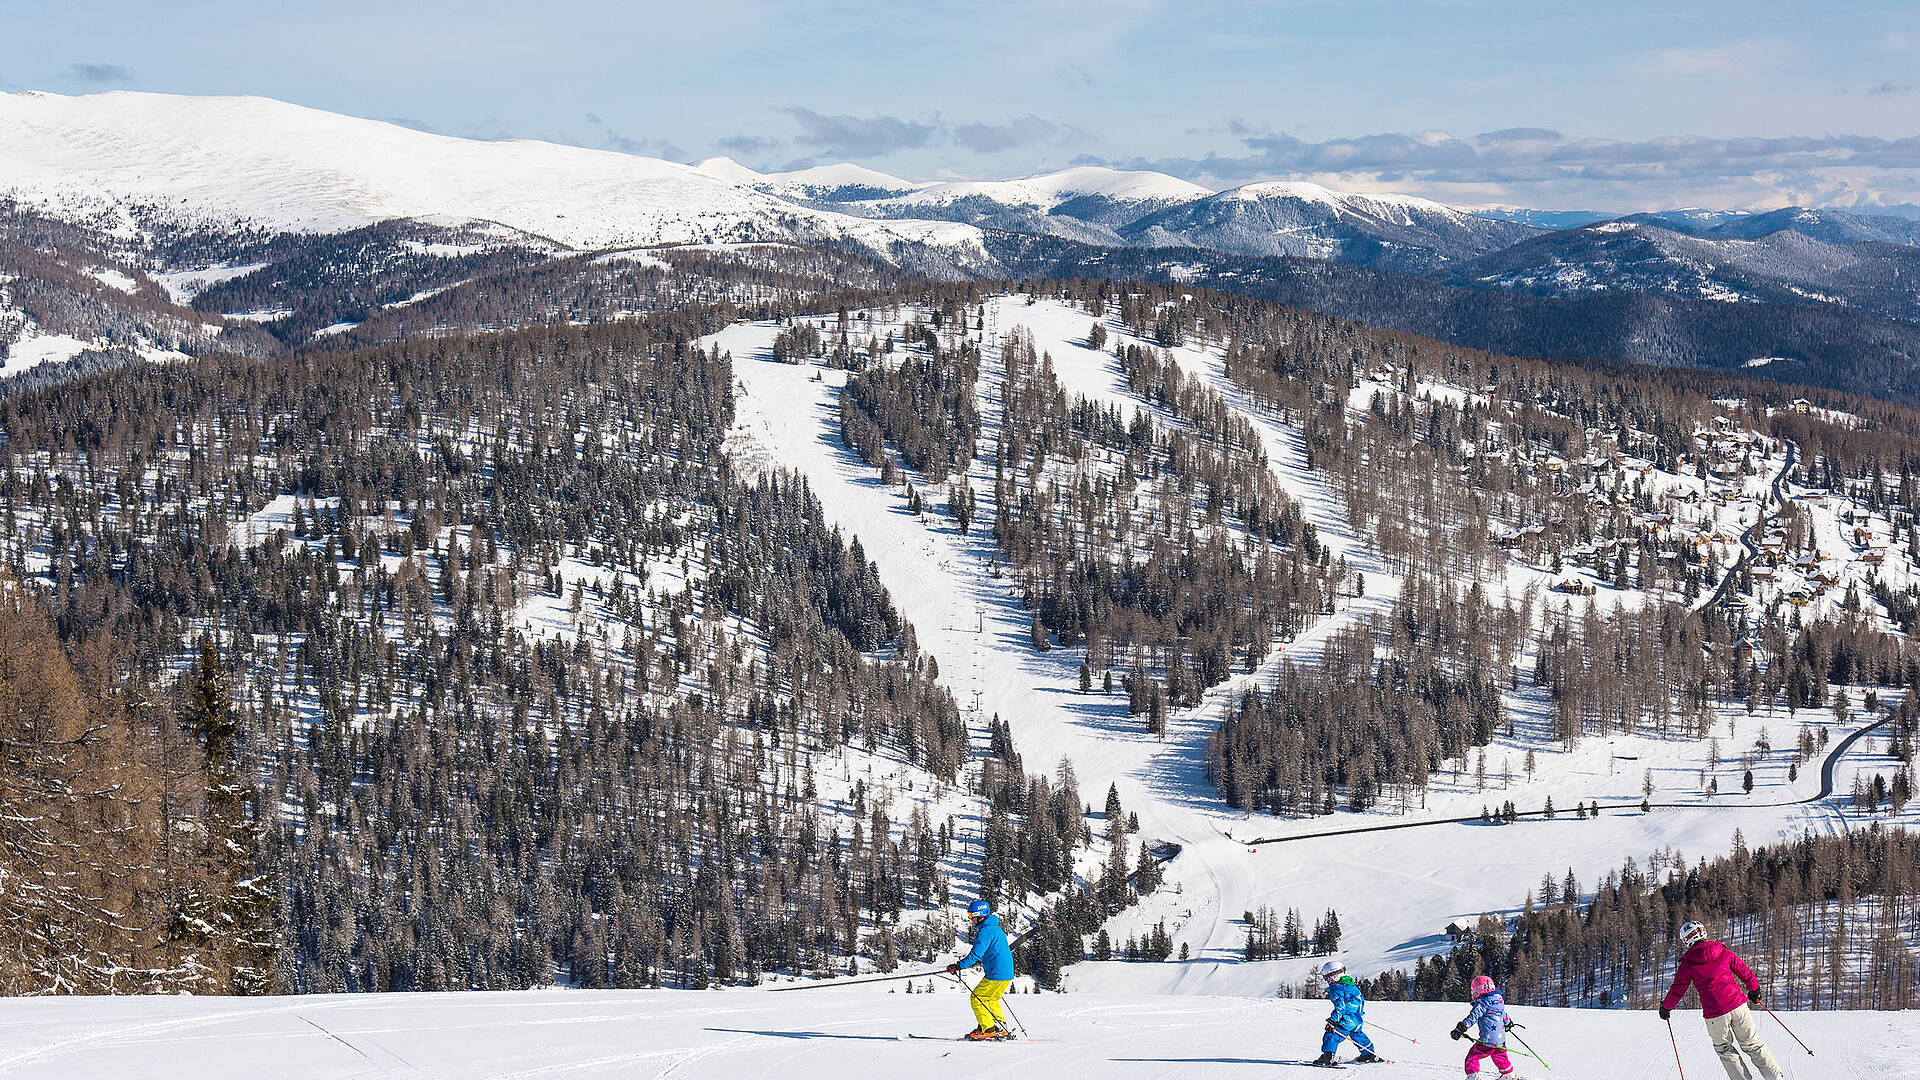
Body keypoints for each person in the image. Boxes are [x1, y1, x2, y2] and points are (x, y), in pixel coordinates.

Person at [1659, 920, 1782, 1080]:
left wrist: (1666, 1007)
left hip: (1715, 1014)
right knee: (1752, 1044)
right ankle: (1775, 1077)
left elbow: (1678, 988)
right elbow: (1743, 971)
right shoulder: (1722, 951)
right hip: (1738, 1006)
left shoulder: (1688, 963)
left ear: (1688, 939)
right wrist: (1754, 989)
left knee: (1725, 1049)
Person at [946, 898, 1014, 1040]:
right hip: (1005, 972)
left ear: (980, 915)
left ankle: (988, 1028)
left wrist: (958, 966)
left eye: (972, 916)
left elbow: (976, 954)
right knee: (991, 999)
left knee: (977, 998)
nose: (971, 919)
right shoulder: (994, 928)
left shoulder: (985, 931)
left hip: (996, 973)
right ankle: (999, 1028)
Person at [1313, 959, 1383, 1066]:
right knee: (1357, 1034)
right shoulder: (1350, 985)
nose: (1327, 980)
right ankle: (1368, 1054)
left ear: (1334, 975)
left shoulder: (1337, 989)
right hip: (1356, 1018)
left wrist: (1333, 1020)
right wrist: (1356, 1014)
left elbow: (1340, 1008)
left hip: (1347, 1019)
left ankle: (1328, 1057)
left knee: (1332, 1033)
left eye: (1327, 977)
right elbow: (1360, 1001)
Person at [1451, 974, 1515, 1077]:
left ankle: (1472, 1076)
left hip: (1487, 1040)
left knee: (1472, 1056)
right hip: (1500, 1040)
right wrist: (1508, 1024)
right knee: (1500, 1056)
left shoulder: (1482, 1004)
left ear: (1480, 991)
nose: (1473, 995)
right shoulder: (1498, 1003)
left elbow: (1473, 1017)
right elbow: (1503, 1015)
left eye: (1474, 992)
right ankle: (1508, 1075)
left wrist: (1461, 1028)